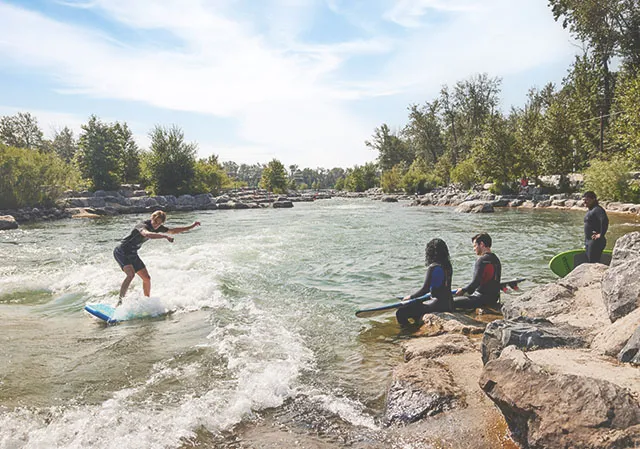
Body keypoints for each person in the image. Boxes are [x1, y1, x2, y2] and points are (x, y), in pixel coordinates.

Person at [114, 210, 201, 305]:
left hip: (132, 253)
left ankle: (147, 302)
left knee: (147, 278)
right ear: (152, 218)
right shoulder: (142, 225)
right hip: (121, 251)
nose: (156, 225)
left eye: (159, 223)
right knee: (130, 275)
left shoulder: (158, 227)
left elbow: (173, 231)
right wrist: (164, 236)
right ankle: (119, 302)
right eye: (155, 222)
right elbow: (147, 234)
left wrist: (192, 226)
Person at [396, 238, 454, 326]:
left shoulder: (433, 267)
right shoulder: (448, 266)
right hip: (449, 304)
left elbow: (425, 289)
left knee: (400, 313)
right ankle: (417, 326)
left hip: (437, 305)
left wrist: (411, 297)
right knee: (416, 306)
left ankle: (408, 332)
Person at [454, 233, 502, 309]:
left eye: (475, 245)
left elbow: (475, 283)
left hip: (480, 299)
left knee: (451, 302)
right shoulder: (496, 259)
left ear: (481, 244)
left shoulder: (482, 260)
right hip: (494, 298)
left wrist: (463, 290)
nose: (474, 249)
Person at [582, 191, 609, 263]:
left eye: (586, 200)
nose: (584, 202)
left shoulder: (597, 209)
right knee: (589, 261)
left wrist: (601, 234)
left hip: (596, 242)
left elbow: (604, 221)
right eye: (583, 200)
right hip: (589, 241)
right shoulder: (590, 210)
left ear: (593, 199)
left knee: (593, 262)